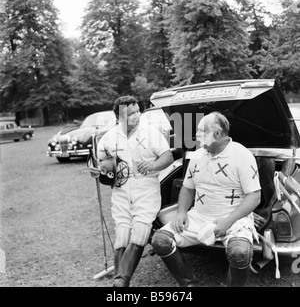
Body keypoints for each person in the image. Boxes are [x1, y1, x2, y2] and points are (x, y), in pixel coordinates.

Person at [151, 111, 261, 287]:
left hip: (234, 219)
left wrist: (227, 221)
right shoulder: (196, 156)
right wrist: (181, 212)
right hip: (199, 217)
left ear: (217, 134)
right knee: (160, 240)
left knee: (240, 253)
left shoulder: (242, 155)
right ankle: (189, 285)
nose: (196, 135)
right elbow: (187, 188)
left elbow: (255, 197)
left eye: (202, 131)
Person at [90, 95, 174, 287]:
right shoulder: (109, 138)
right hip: (120, 190)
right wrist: (98, 171)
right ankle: (121, 283)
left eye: (138, 111)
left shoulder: (151, 133)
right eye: (131, 114)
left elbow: (168, 157)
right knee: (122, 234)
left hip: (146, 188)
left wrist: (153, 165)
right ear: (119, 117)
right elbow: (100, 163)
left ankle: (120, 281)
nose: (137, 116)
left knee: (141, 231)